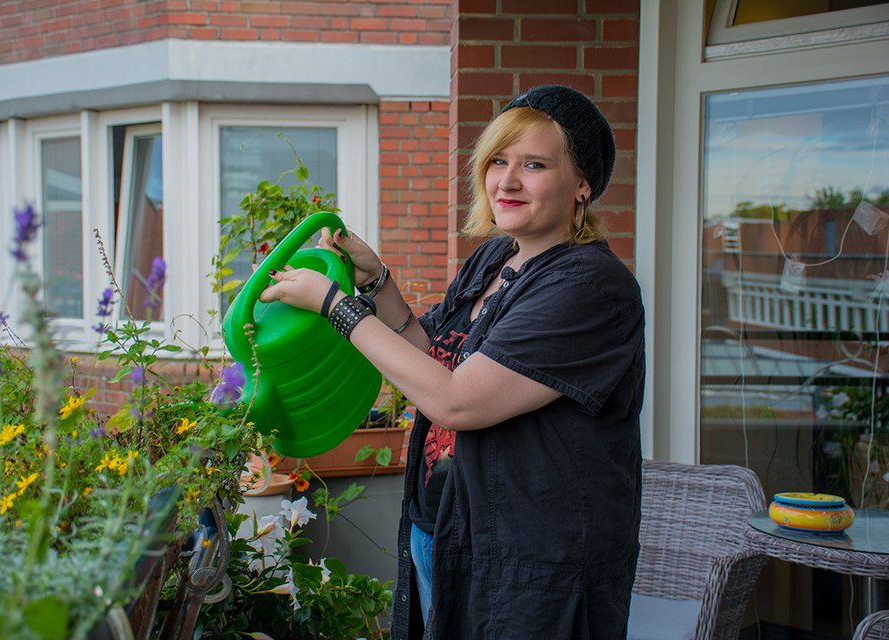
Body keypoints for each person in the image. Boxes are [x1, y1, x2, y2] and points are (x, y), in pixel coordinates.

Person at [259, 85, 645, 640]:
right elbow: (432, 358)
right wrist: (377, 280)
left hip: (530, 559)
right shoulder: (495, 257)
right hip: (448, 528)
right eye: (497, 162)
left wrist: (334, 305)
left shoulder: (590, 287)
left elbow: (457, 402)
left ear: (582, 183)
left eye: (533, 164)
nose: (506, 182)